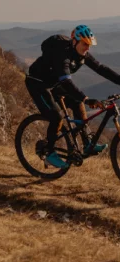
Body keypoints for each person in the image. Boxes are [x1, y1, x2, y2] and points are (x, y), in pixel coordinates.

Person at [25, 25, 120, 168]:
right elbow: (66, 81)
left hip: (54, 83)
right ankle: (49, 152)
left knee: (77, 103)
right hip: (38, 83)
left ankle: (87, 143)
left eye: (89, 45)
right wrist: (86, 99)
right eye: (84, 44)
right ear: (74, 41)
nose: (87, 48)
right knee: (56, 117)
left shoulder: (82, 54)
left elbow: (101, 69)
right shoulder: (62, 55)